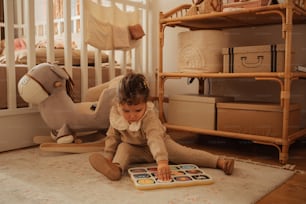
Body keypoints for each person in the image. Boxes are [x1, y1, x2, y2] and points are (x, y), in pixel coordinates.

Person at [88, 72, 235, 181]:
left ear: (146, 103)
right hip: (136, 149)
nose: (132, 116)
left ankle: (219, 161)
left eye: (137, 110)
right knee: (123, 148)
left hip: (162, 145)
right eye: (126, 111)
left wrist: (162, 162)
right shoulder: (117, 114)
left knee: (185, 154)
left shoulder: (149, 116)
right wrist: (107, 156)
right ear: (118, 104)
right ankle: (116, 168)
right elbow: (112, 137)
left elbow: (154, 139)